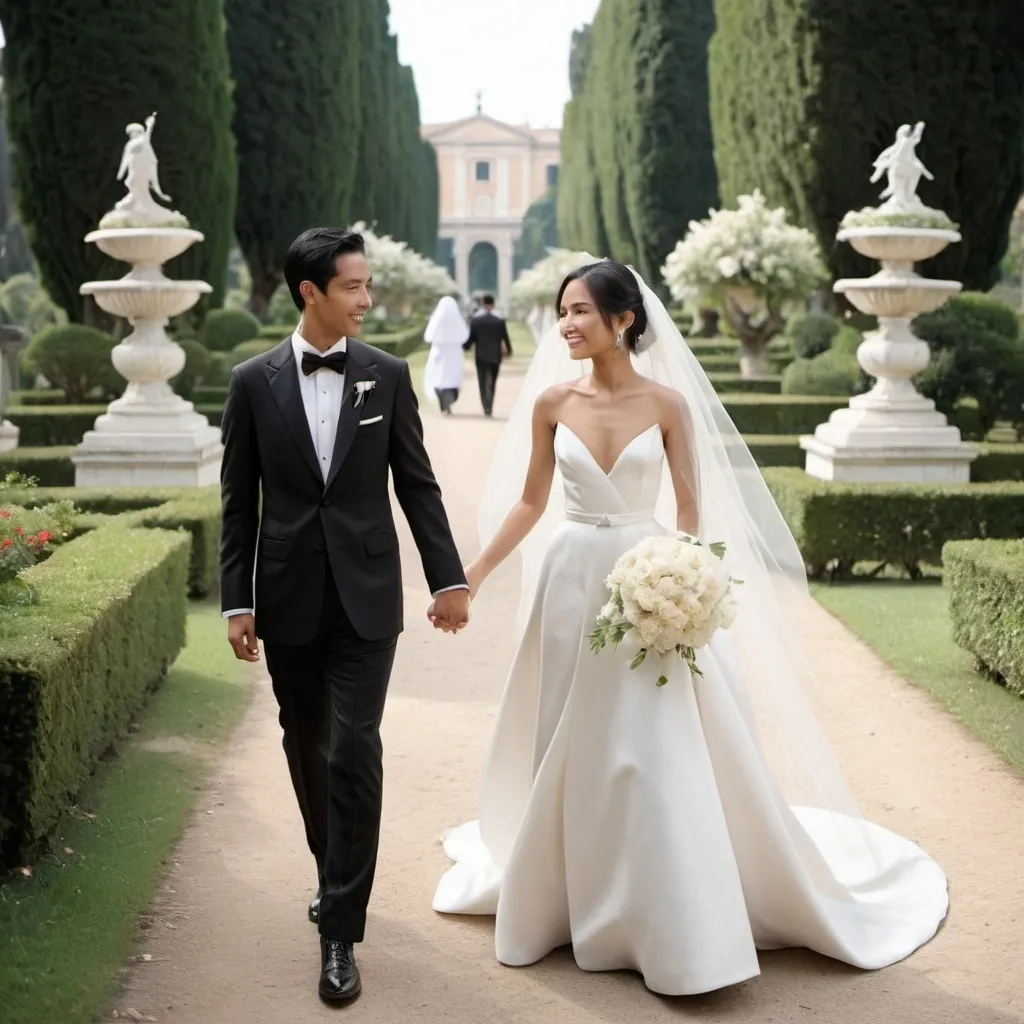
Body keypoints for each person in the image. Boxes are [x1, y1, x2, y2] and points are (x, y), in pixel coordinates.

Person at [432, 259, 948, 995]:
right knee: (569, 734)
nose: (567, 324)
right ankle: (566, 896)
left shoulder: (669, 405)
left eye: (581, 311)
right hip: (572, 579)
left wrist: (685, 581)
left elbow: (689, 508)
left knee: (648, 743)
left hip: (648, 579)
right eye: (563, 311)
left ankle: (663, 913)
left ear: (625, 320)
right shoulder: (551, 402)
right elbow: (529, 503)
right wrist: (471, 576)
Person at [218, 227, 471, 1004]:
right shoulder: (252, 383)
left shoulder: (388, 376)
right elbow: (238, 502)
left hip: (367, 598)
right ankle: (334, 874)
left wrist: (447, 578)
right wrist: (238, 599)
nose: (368, 298)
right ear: (311, 293)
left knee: (355, 749)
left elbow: (417, 486)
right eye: (354, 287)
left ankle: (339, 933)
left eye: (367, 286)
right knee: (308, 744)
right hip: (288, 595)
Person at [463, 293, 512, 417]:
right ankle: (490, 405)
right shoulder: (499, 320)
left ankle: (486, 405)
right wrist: (509, 351)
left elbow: (471, 339)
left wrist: (465, 346)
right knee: (492, 382)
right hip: (496, 356)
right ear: (493, 304)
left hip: (481, 355)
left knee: (482, 381)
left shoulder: (476, 320)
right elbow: (505, 337)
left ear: (483, 304)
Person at [423, 295, 469, 414]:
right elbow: (464, 336)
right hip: (453, 354)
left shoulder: (436, 319)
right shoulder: (457, 319)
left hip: (439, 352)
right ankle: (447, 403)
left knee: (440, 378)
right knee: (451, 379)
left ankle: (444, 403)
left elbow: (428, 336)